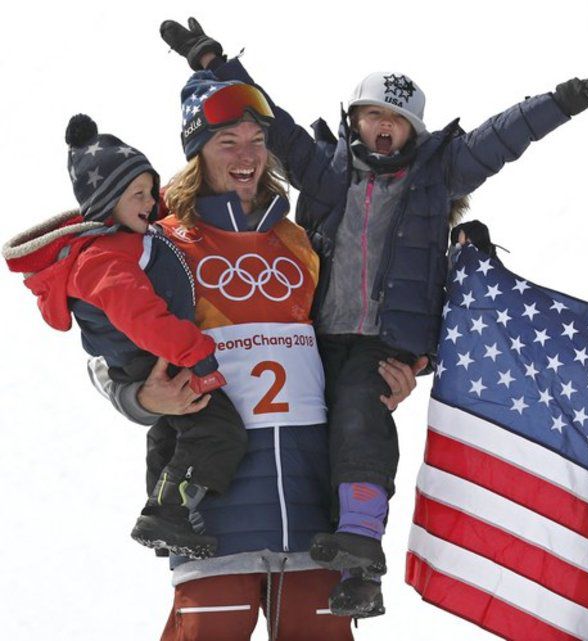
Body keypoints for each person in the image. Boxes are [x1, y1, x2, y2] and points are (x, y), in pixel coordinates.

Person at [158, 16, 588, 617]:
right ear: (353, 120)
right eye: (374, 115)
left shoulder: (438, 176)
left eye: (399, 120)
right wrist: (211, 59)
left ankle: (361, 543)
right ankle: (335, 568)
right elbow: (267, 119)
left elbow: (501, 138)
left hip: (384, 342)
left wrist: (564, 100)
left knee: (361, 425)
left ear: (414, 132)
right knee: (317, 441)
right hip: (316, 337)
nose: (385, 126)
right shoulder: (324, 168)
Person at [91, 66, 420, 640]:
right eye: (227, 142)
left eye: (257, 140)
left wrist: (391, 375)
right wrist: (140, 397)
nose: (247, 156)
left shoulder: (299, 240)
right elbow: (103, 347)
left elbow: (346, 335)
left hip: (313, 507)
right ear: (197, 152)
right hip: (213, 508)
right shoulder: (160, 241)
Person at [3, 114, 248, 559]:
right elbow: (142, 318)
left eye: (150, 191)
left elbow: (168, 202)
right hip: (157, 358)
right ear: (107, 201)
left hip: (154, 357)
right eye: (138, 194)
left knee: (169, 435)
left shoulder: (127, 238)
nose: (150, 202)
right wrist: (197, 353)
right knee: (218, 431)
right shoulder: (104, 258)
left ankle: (160, 519)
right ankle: (169, 512)